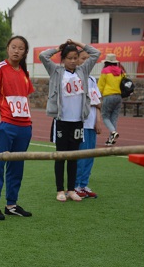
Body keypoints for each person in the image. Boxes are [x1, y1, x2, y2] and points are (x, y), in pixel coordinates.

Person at [39, 39, 101, 202]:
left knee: (73, 156)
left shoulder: (83, 70)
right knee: (60, 156)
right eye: (69, 58)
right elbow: (43, 56)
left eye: (75, 57)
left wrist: (78, 44)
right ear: (63, 59)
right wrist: (58, 48)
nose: (73, 61)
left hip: (77, 121)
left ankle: (72, 189)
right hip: (62, 120)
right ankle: (60, 189)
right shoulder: (56, 71)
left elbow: (96, 54)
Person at [0, 36, 34, 220]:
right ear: (7, 48)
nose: (16, 51)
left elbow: (25, 97)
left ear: (25, 52)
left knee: (17, 166)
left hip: (24, 127)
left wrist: (29, 122)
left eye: (21, 48)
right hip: (6, 124)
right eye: (13, 47)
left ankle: (11, 205)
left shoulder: (24, 73)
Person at [75, 49, 103, 199]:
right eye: (83, 58)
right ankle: (76, 185)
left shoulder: (92, 80)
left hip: (91, 124)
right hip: (81, 124)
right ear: (77, 60)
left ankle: (84, 184)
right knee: (81, 155)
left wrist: (98, 120)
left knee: (90, 155)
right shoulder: (76, 78)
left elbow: (98, 102)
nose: (86, 61)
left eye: (88, 58)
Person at [97, 53, 125, 146]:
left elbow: (101, 85)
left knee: (105, 116)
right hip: (119, 96)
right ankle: (111, 139)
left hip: (108, 95)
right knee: (114, 118)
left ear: (106, 62)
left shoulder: (105, 71)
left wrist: (97, 96)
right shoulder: (121, 71)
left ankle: (113, 132)